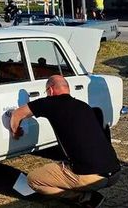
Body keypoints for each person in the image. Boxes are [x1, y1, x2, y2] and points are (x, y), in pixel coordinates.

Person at [10, 76, 120, 206]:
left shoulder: (49, 103)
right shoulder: (83, 106)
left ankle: (85, 198)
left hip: (91, 176)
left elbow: (17, 114)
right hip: (115, 172)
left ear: (50, 90)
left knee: (33, 180)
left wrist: (16, 131)